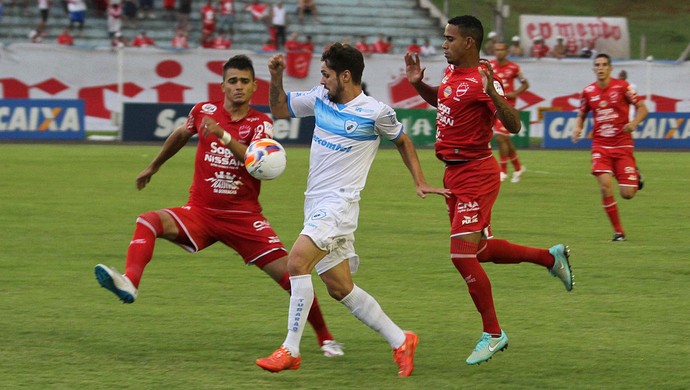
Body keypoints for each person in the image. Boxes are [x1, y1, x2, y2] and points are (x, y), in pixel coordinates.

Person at [94, 55, 344, 358]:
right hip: (200, 211)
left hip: (243, 218)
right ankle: (130, 283)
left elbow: (254, 160)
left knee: (293, 275)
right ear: (222, 85)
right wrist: (153, 166)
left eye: (244, 81)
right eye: (232, 81)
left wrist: (222, 135)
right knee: (148, 221)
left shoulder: (260, 123)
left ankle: (326, 338)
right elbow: (181, 134)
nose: (238, 87)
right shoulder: (203, 111)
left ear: (254, 87)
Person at [256, 43, 449, 376]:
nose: (322, 79)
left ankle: (290, 349)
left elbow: (402, 140)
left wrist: (419, 180)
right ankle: (401, 339)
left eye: (326, 74)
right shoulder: (319, 98)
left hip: (339, 205)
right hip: (316, 203)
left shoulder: (375, 112)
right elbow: (280, 109)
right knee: (339, 287)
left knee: (297, 262)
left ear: (346, 76)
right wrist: (276, 76)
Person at [404, 15, 574, 366]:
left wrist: (495, 93)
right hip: (454, 176)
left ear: (469, 42)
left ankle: (493, 333)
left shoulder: (482, 80)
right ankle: (550, 257)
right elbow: (445, 101)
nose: (443, 44)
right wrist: (419, 85)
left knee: (460, 254)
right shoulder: (452, 72)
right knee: (478, 251)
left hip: (476, 175)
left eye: (449, 39)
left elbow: (514, 124)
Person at [572, 54, 648, 242]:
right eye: (597, 65)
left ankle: (635, 176)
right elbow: (582, 114)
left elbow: (643, 108)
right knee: (606, 187)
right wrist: (578, 128)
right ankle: (619, 232)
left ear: (610, 68)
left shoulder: (622, 87)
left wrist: (634, 123)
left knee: (627, 194)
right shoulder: (588, 91)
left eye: (604, 65)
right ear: (593, 68)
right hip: (600, 145)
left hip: (622, 144)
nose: (601, 68)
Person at [490, 42, 528, 183]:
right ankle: (518, 168)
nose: (498, 52)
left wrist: (514, 93)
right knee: (505, 138)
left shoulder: (514, 68)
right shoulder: (490, 66)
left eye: (501, 49)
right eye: (496, 49)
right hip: (493, 104)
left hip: (507, 105)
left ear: (506, 51)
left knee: (500, 137)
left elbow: (525, 83)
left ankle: (503, 171)